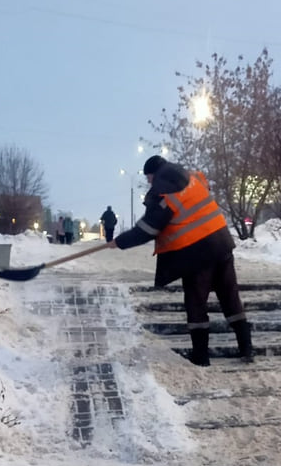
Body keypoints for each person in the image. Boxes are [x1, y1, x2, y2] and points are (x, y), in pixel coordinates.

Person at [108, 155, 252, 367]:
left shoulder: (163, 189)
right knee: (230, 296)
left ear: (154, 173)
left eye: (149, 178)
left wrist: (119, 242)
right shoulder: (192, 179)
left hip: (196, 251)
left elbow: (149, 229)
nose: (149, 183)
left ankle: (201, 357)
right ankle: (246, 348)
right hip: (222, 243)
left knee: (196, 303)